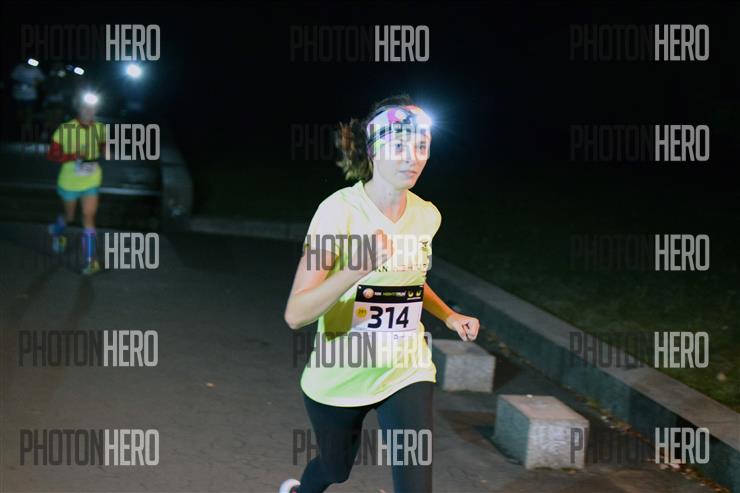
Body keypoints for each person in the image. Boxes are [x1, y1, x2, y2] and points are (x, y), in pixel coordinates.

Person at [281, 95, 480, 493]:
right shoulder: (338, 212)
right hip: (340, 373)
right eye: (400, 145)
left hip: (405, 369)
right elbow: (296, 313)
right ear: (373, 150)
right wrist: (355, 268)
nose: (413, 158)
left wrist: (448, 315)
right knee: (335, 469)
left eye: (422, 146)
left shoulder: (427, 215)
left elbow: (410, 281)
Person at [46, 93, 106, 275]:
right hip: (69, 183)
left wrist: (106, 151)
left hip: (91, 180)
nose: (89, 111)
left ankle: (91, 261)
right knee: (70, 217)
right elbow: (52, 154)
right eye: (85, 107)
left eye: (93, 108)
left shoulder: (100, 127)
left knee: (88, 216)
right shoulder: (65, 129)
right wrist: (73, 156)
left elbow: (102, 145)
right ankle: (57, 231)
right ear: (78, 109)